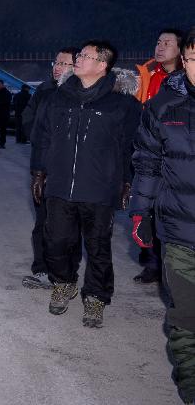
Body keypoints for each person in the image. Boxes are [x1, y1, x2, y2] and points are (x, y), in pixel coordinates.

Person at [32, 40, 141, 327]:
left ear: (102, 65)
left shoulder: (122, 104)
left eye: (85, 56)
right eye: (79, 55)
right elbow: (42, 138)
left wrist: (127, 182)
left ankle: (95, 298)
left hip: (99, 188)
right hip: (59, 185)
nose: (78, 59)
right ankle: (64, 282)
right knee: (55, 242)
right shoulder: (57, 98)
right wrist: (39, 172)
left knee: (98, 247)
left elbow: (131, 146)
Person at [130, 27, 195, 403]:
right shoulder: (163, 107)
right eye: (190, 59)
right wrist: (140, 212)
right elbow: (148, 164)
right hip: (180, 234)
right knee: (186, 319)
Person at [21, 47, 79, 289]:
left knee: (69, 226)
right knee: (42, 222)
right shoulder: (44, 90)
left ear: (77, 67)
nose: (57, 67)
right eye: (56, 62)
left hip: (71, 170)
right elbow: (27, 120)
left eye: (64, 63)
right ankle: (41, 269)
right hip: (42, 165)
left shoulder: (80, 92)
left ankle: (66, 275)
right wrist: (40, 138)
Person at [133, 28, 184, 285]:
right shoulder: (148, 75)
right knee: (145, 210)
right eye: (158, 41)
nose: (161, 46)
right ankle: (151, 262)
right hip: (147, 151)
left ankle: (169, 265)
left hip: (174, 157)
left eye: (167, 43)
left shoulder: (185, 81)